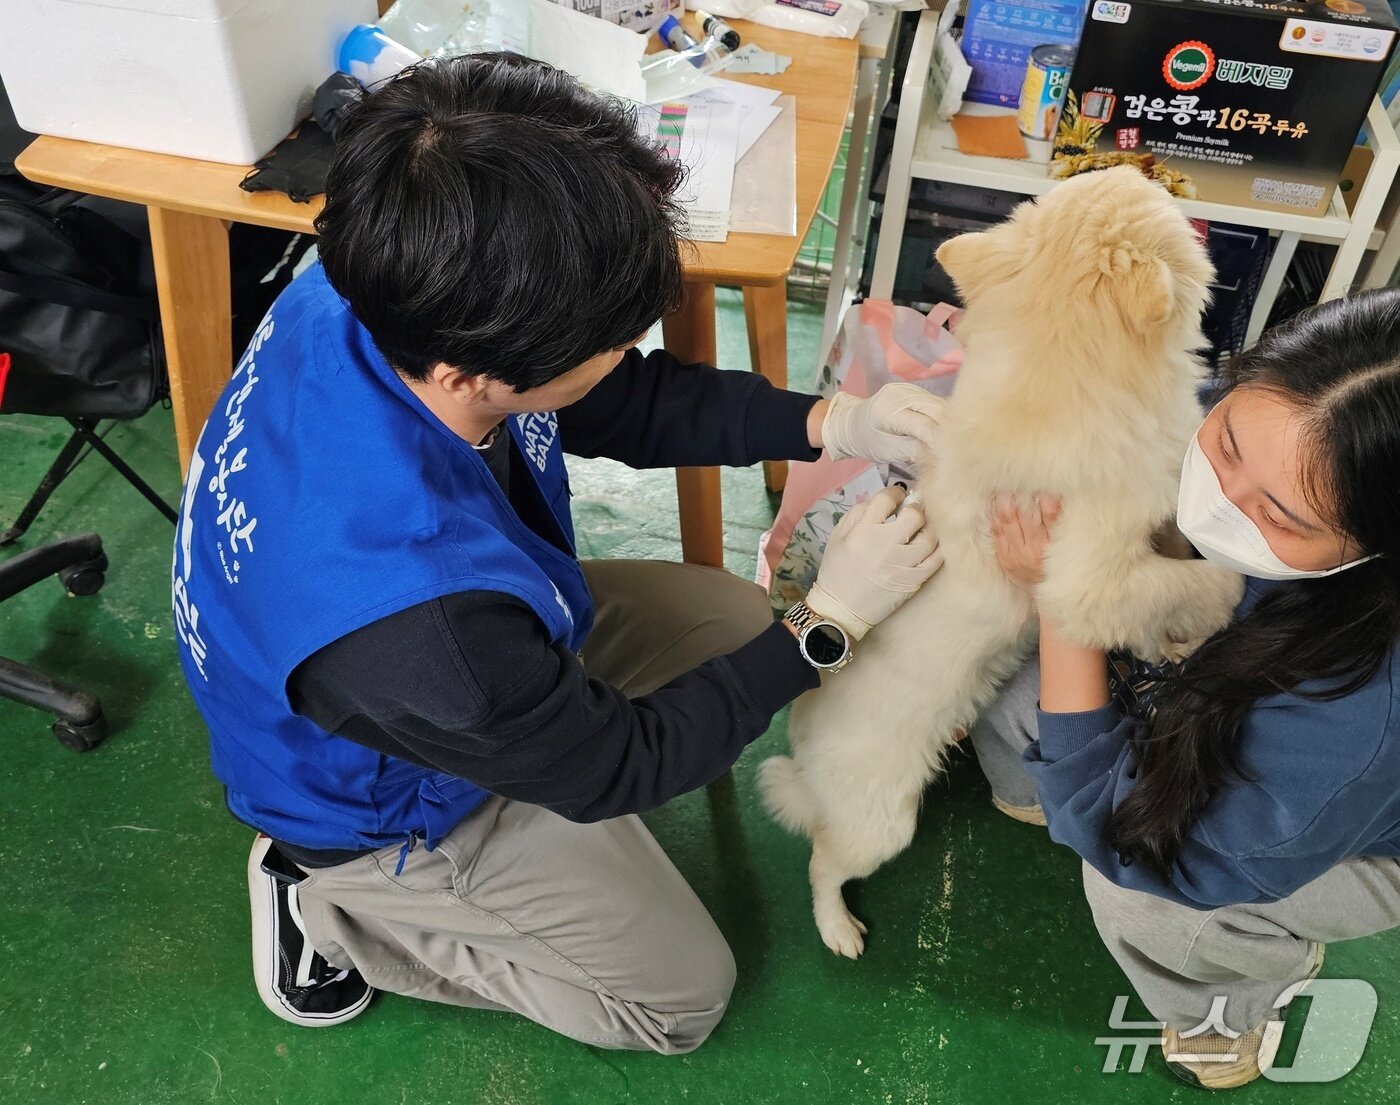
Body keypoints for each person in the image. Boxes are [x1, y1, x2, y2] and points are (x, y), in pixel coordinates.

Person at [171, 53, 945, 1052]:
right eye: (607, 339)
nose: (626, 353)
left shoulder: (388, 276)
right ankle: (335, 909)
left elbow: (618, 396)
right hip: (377, 795)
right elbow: (617, 767)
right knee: (676, 998)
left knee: (729, 624)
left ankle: (528, 783)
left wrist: (835, 420)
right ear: (475, 373)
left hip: (458, 661)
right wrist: (828, 622)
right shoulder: (414, 620)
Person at [973, 288, 1400, 1089]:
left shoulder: (1362, 710)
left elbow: (1153, 847)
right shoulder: (1267, 428)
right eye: (1228, 441)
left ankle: (1228, 1009)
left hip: (1353, 828)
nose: (1220, 500)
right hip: (1240, 667)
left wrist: (1068, 596)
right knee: (1009, 653)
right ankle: (1042, 791)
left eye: (1280, 516)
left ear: (1375, 548)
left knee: (1150, 899)